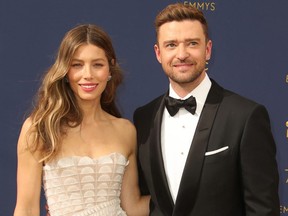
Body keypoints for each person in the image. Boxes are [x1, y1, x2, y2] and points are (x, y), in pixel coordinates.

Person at [133, 3, 280, 216]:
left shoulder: (245, 116)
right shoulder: (144, 117)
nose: (181, 54)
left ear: (207, 49)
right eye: (171, 45)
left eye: (192, 43)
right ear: (158, 53)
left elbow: (263, 209)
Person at [13, 24, 149, 216]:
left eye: (97, 65)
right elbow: (26, 210)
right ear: (65, 71)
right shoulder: (40, 128)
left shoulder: (125, 130)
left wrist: (192, 192)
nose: (88, 75)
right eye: (77, 65)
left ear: (110, 69)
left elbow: (133, 208)